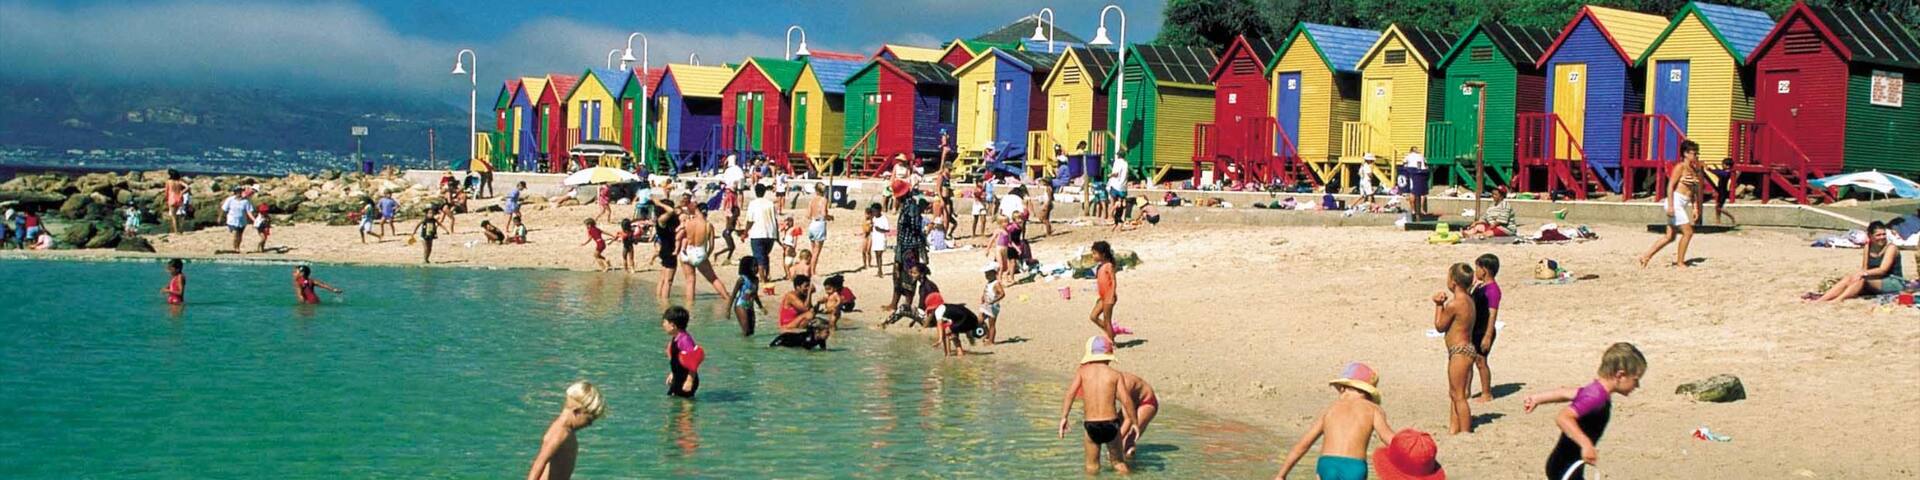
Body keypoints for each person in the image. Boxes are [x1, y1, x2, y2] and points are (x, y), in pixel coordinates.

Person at [1524, 342, 1646, 480]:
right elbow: (1563, 417)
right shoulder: (1596, 397)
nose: (1637, 385)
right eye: (1635, 380)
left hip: (1565, 464)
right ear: (1620, 375)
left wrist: (1537, 398)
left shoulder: (1595, 391)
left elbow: (1566, 393)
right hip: (1565, 467)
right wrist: (1586, 444)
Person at [1274, 362, 1396, 480]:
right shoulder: (1373, 409)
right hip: (1354, 467)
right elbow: (1388, 438)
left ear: (1343, 388)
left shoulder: (1329, 410)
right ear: (1368, 394)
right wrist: (1410, 452)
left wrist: (1281, 475)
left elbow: (1303, 445)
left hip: (1327, 464)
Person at [1056, 336, 1138, 475]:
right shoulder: (1115, 374)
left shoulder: (1082, 372)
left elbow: (1070, 394)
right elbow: (1126, 400)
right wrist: (1134, 423)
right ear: (1108, 356)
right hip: (1111, 424)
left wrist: (1064, 417)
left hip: (1091, 425)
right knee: (1118, 462)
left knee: (1091, 467)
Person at [1639, 140, 1705, 268]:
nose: (1696, 156)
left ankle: (1645, 256)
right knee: (1688, 232)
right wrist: (1670, 205)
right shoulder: (1680, 167)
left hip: (1683, 203)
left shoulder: (1694, 169)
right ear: (1685, 153)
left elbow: (1694, 191)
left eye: (1698, 154)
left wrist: (1695, 207)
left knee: (1670, 236)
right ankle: (1680, 262)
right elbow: (1670, 186)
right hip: (1675, 202)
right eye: (1694, 153)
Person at [525, 380, 606, 480]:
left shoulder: (566, 430)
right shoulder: (560, 432)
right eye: (589, 419)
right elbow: (540, 462)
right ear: (577, 412)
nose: (590, 424)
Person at [1433, 262, 1476, 434]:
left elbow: (1439, 326)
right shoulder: (1468, 300)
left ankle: (1465, 431)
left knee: (1459, 395)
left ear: (1453, 282)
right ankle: (1454, 429)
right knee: (1454, 393)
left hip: (1460, 351)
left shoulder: (1455, 304)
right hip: (1465, 350)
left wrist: (1438, 305)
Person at [1817, 220, 1906, 302]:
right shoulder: (1868, 246)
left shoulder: (1891, 248)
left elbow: (1883, 270)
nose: (1882, 237)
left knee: (1862, 279)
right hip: (1875, 279)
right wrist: (1858, 275)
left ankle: (1838, 300)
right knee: (1849, 278)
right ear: (1870, 236)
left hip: (1892, 280)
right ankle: (1822, 299)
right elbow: (1864, 268)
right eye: (1878, 235)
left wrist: (1862, 274)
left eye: (1883, 234)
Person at [676, 197, 733, 305]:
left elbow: (678, 236)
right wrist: (707, 255)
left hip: (687, 252)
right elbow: (711, 245)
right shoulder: (708, 225)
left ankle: (689, 307)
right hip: (700, 252)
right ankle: (728, 300)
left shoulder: (688, 223)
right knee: (713, 279)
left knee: (689, 281)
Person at [1470, 254, 1503, 404]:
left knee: (1481, 361)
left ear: (1485, 270)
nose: (1475, 270)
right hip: (1475, 328)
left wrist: (1488, 335)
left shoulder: (1493, 290)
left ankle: (1486, 393)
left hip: (1484, 329)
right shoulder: (1480, 286)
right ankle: (1466, 391)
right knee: (1471, 360)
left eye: (1477, 267)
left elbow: (1492, 313)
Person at [769, 275, 828, 350]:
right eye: (806, 286)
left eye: (808, 286)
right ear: (798, 287)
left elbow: (812, 311)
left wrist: (819, 303)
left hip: (797, 322)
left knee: (823, 323)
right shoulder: (791, 296)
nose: (807, 288)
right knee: (810, 316)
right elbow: (807, 310)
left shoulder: (803, 296)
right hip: (787, 325)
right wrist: (810, 293)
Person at [662, 306, 703, 398]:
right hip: (678, 378)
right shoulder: (676, 337)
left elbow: (693, 361)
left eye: (665, 322)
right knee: (674, 400)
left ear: (673, 326)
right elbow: (677, 360)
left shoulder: (684, 340)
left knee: (686, 406)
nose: (663, 325)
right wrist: (673, 373)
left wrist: (690, 380)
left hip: (686, 379)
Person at [1117, 371, 1157, 462]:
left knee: (1127, 440)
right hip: (1131, 402)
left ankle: (1131, 467)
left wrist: (1116, 441)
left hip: (1146, 403)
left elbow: (1129, 419)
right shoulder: (1106, 381)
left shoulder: (1125, 384)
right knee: (1115, 428)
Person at [745, 184, 779, 285]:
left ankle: (763, 280)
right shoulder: (770, 204)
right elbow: (775, 220)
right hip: (770, 233)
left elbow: (750, 220)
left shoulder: (753, 204)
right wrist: (777, 235)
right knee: (765, 255)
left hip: (757, 233)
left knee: (759, 257)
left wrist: (745, 231)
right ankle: (767, 275)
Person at [1090, 241, 1122, 347]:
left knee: (1107, 320)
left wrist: (1112, 295)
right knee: (1093, 316)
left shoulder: (1109, 265)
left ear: (1103, 254)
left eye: (1095, 253)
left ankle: (1112, 341)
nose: (1093, 256)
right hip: (1103, 297)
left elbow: (1113, 281)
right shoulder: (1100, 266)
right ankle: (1111, 332)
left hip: (1109, 297)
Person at [654, 195, 682, 299]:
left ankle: (658, 300)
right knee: (668, 281)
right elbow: (670, 211)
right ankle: (664, 303)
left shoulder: (668, 221)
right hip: (669, 251)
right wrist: (659, 203)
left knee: (663, 278)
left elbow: (673, 211)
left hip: (665, 250)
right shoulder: (661, 220)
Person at [731, 258, 765, 336]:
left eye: (757, 266)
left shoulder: (756, 280)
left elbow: (755, 294)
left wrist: (761, 306)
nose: (756, 268)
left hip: (750, 306)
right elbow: (733, 295)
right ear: (747, 268)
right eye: (753, 266)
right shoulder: (742, 280)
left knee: (751, 331)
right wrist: (728, 310)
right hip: (740, 306)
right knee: (746, 331)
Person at [805, 183, 832, 271]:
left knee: (813, 250)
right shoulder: (824, 200)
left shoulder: (812, 200)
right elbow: (824, 213)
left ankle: (810, 270)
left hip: (812, 224)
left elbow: (808, 215)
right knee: (817, 251)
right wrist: (830, 217)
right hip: (820, 224)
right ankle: (812, 271)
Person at [219, 187, 253, 252]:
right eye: (237, 192)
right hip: (232, 220)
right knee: (235, 234)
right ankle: (235, 248)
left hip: (242, 221)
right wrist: (220, 217)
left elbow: (249, 212)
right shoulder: (230, 200)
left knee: (240, 235)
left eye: (240, 192)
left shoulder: (246, 201)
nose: (239, 193)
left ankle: (237, 246)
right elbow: (223, 209)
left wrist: (254, 220)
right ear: (235, 192)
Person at [980, 267, 1006, 344]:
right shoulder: (989, 283)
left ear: (994, 274)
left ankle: (991, 340)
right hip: (986, 305)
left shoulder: (996, 283)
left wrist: (993, 301)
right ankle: (987, 333)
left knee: (991, 324)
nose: (986, 276)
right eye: (986, 274)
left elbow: (1002, 294)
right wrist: (982, 297)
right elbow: (986, 291)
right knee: (979, 320)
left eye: (988, 274)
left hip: (993, 306)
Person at [1403, 147, 1430, 217]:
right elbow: (1426, 165)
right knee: (1423, 192)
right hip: (1422, 173)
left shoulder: (1408, 156)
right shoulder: (1421, 156)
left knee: (1412, 191)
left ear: (1411, 151)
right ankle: (1421, 208)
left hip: (1412, 173)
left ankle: (1413, 209)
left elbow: (1404, 164)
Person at [1711, 157, 1738, 224]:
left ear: (1727, 166)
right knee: (1717, 206)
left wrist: (1711, 170)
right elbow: (1719, 172)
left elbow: (1720, 173)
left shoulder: (1727, 173)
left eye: (1723, 164)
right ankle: (1718, 221)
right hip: (1720, 190)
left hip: (1723, 192)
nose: (1722, 165)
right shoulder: (1724, 172)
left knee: (1719, 207)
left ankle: (1732, 217)